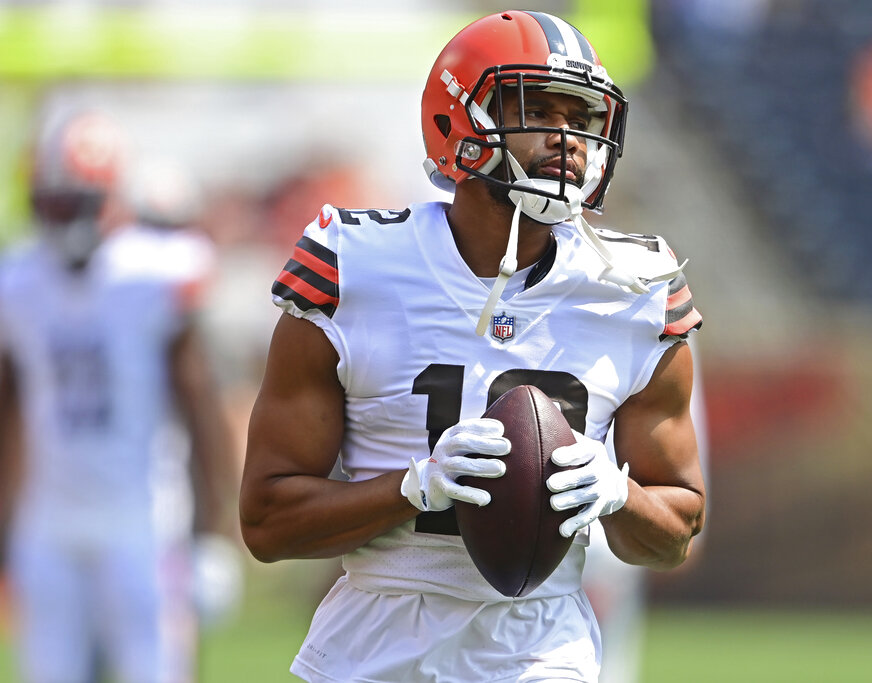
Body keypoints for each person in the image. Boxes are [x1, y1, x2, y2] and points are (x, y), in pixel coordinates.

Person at [239, 10, 707, 682]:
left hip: (540, 645)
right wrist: (413, 487)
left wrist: (616, 494)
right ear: (458, 121)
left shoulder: (631, 290)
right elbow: (267, 521)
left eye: (581, 118)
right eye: (537, 109)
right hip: (374, 639)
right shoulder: (353, 266)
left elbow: (674, 531)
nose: (567, 138)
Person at [0, 106, 237, 683]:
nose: (63, 216)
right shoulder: (19, 281)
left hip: (143, 522)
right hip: (49, 521)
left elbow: (200, 404)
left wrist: (212, 534)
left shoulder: (153, 274)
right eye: (53, 201)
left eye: (73, 200)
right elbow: (9, 412)